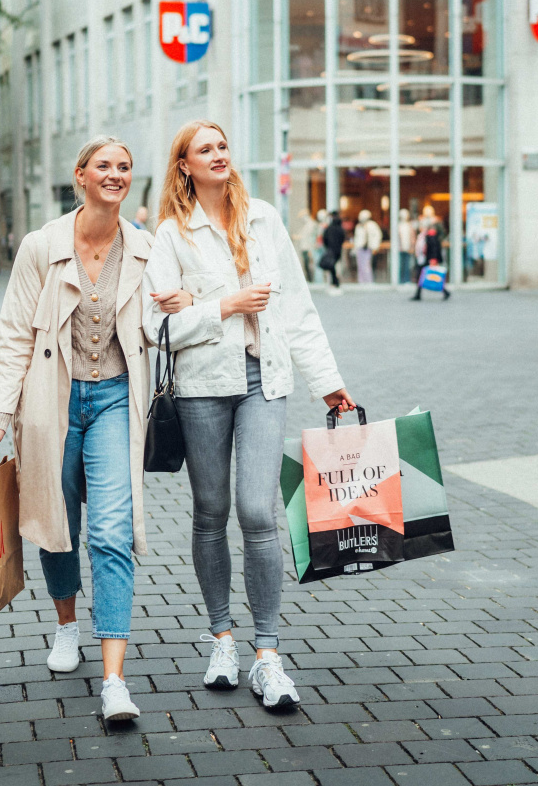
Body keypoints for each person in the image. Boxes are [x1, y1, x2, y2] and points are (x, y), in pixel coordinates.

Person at [144, 120, 354, 712]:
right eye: (204, 149)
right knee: (210, 512)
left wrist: (330, 383)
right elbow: (153, 326)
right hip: (203, 386)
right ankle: (221, 639)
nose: (218, 155)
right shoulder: (171, 234)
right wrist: (223, 307)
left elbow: (297, 307)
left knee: (258, 510)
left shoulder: (262, 218)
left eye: (222, 146)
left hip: (266, 379)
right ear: (184, 164)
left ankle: (267, 654)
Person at [0, 135, 184, 725]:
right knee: (56, 519)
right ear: (81, 176)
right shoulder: (42, 247)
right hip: (51, 401)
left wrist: (184, 302)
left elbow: (165, 318)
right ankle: (67, 624)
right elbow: (15, 333)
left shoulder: (145, 249)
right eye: (105, 166)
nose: (116, 175)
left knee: (113, 531)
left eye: (124, 166)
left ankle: (114, 679)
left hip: (118, 399)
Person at [411, 206, 449, 301]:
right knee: (422, 275)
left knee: (427, 275)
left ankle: (444, 291)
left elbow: (434, 248)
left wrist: (433, 259)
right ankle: (418, 294)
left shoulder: (430, 235)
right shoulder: (423, 235)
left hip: (427, 259)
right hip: (423, 258)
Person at [319, 212, 346, 295]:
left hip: (331, 250)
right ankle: (335, 282)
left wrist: (328, 247)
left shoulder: (329, 228)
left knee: (332, 267)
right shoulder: (340, 229)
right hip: (337, 251)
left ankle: (334, 282)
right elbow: (343, 239)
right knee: (334, 267)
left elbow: (324, 239)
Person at [352, 209, 381, 285]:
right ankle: (361, 281)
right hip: (360, 248)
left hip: (369, 248)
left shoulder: (372, 225)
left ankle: (369, 281)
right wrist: (355, 248)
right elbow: (356, 238)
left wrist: (375, 247)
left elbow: (377, 236)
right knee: (360, 266)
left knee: (367, 266)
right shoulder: (359, 226)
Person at [395, 208, 415, 286]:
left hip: (408, 249)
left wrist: (412, 247)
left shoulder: (409, 226)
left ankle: (407, 280)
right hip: (400, 249)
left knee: (407, 265)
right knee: (401, 265)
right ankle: (400, 280)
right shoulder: (399, 226)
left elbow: (412, 237)